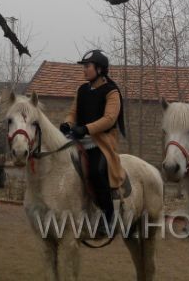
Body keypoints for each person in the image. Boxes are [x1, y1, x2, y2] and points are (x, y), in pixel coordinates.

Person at [59, 49, 126, 237]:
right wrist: (68, 123)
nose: (84, 70)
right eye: (84, 67)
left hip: (101, 142)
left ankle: (109, 217)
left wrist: (86, 129)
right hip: (78, 138)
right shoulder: (82, 90)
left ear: (99, 69)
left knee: (97, 171)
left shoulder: (111, 92)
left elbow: (109, 119)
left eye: (87, 66)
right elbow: (73, 112)